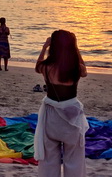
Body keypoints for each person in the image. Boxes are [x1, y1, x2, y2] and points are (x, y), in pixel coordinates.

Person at [34, 30, 88, 177]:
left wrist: (44, 47)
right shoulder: (76, 68)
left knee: (49, 161)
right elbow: (85, 71)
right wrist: (76, 49)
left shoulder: (46, 67)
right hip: (72, 117)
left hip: (51, 116)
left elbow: (37, 66)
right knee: (75, 160)